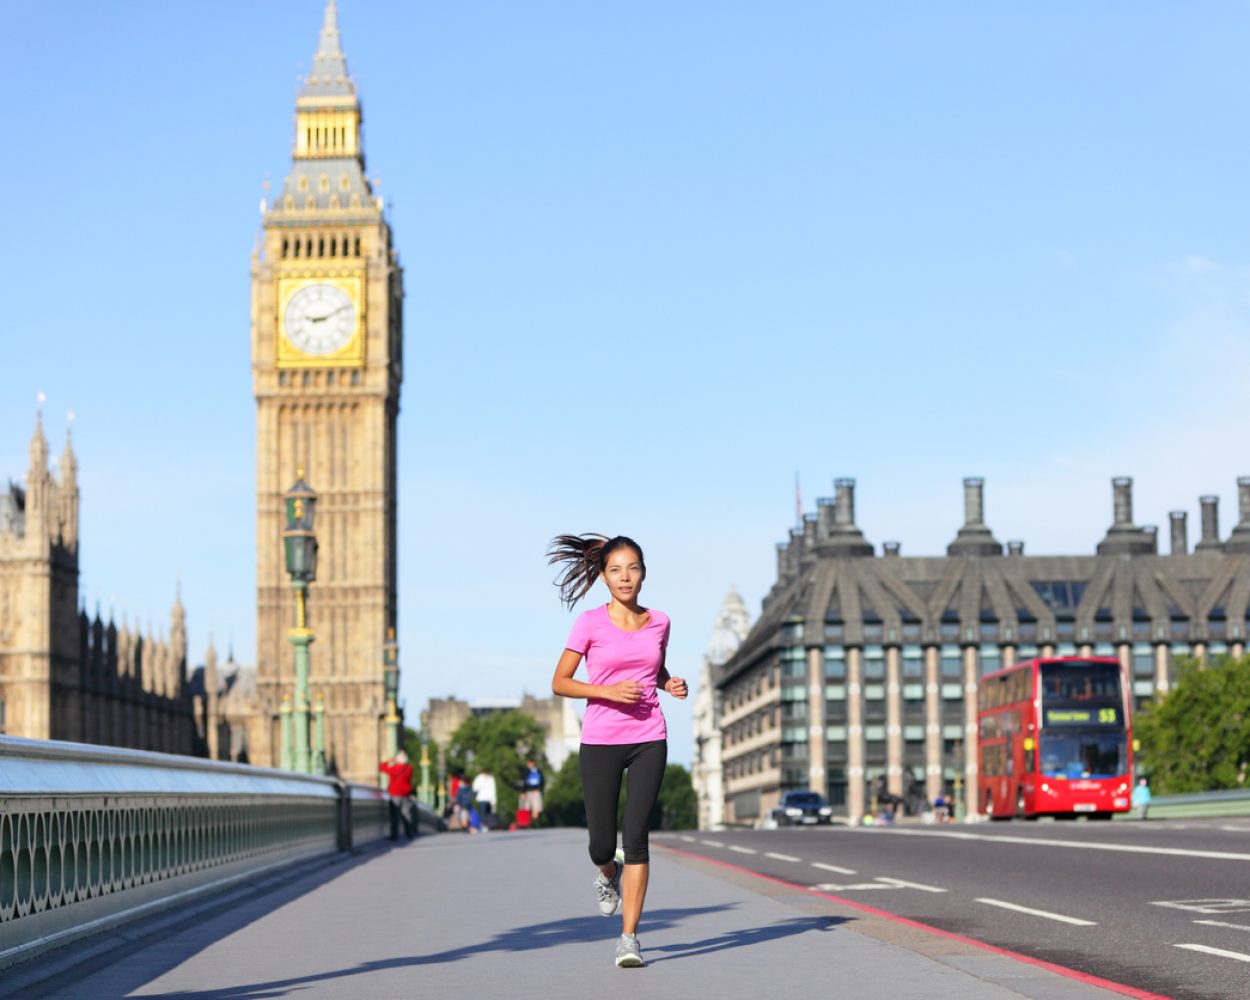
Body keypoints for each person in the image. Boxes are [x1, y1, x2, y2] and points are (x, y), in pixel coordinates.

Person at [548, 533, 688, 969]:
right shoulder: (590, 623)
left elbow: (653, 666)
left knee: (638, 839)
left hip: (649, 737)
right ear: (604, 577)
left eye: (632, 568)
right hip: (601, 739)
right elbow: (561, 682)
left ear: (643, 573)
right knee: (601, 845)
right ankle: (607, 873)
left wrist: (669, 683)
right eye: (615, 570)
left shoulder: (661, 621)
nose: (625, 577)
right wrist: (606, 691)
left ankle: (629, 938)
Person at [379, 750, 416, 841]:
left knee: (394, 816)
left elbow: (382, 768)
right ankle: (409, 833)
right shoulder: (409, 768)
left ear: (397, 759)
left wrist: (389, 760)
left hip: (394, 794)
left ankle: (394, 835)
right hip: (405, 794)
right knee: (406, 814)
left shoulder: (394, 768)